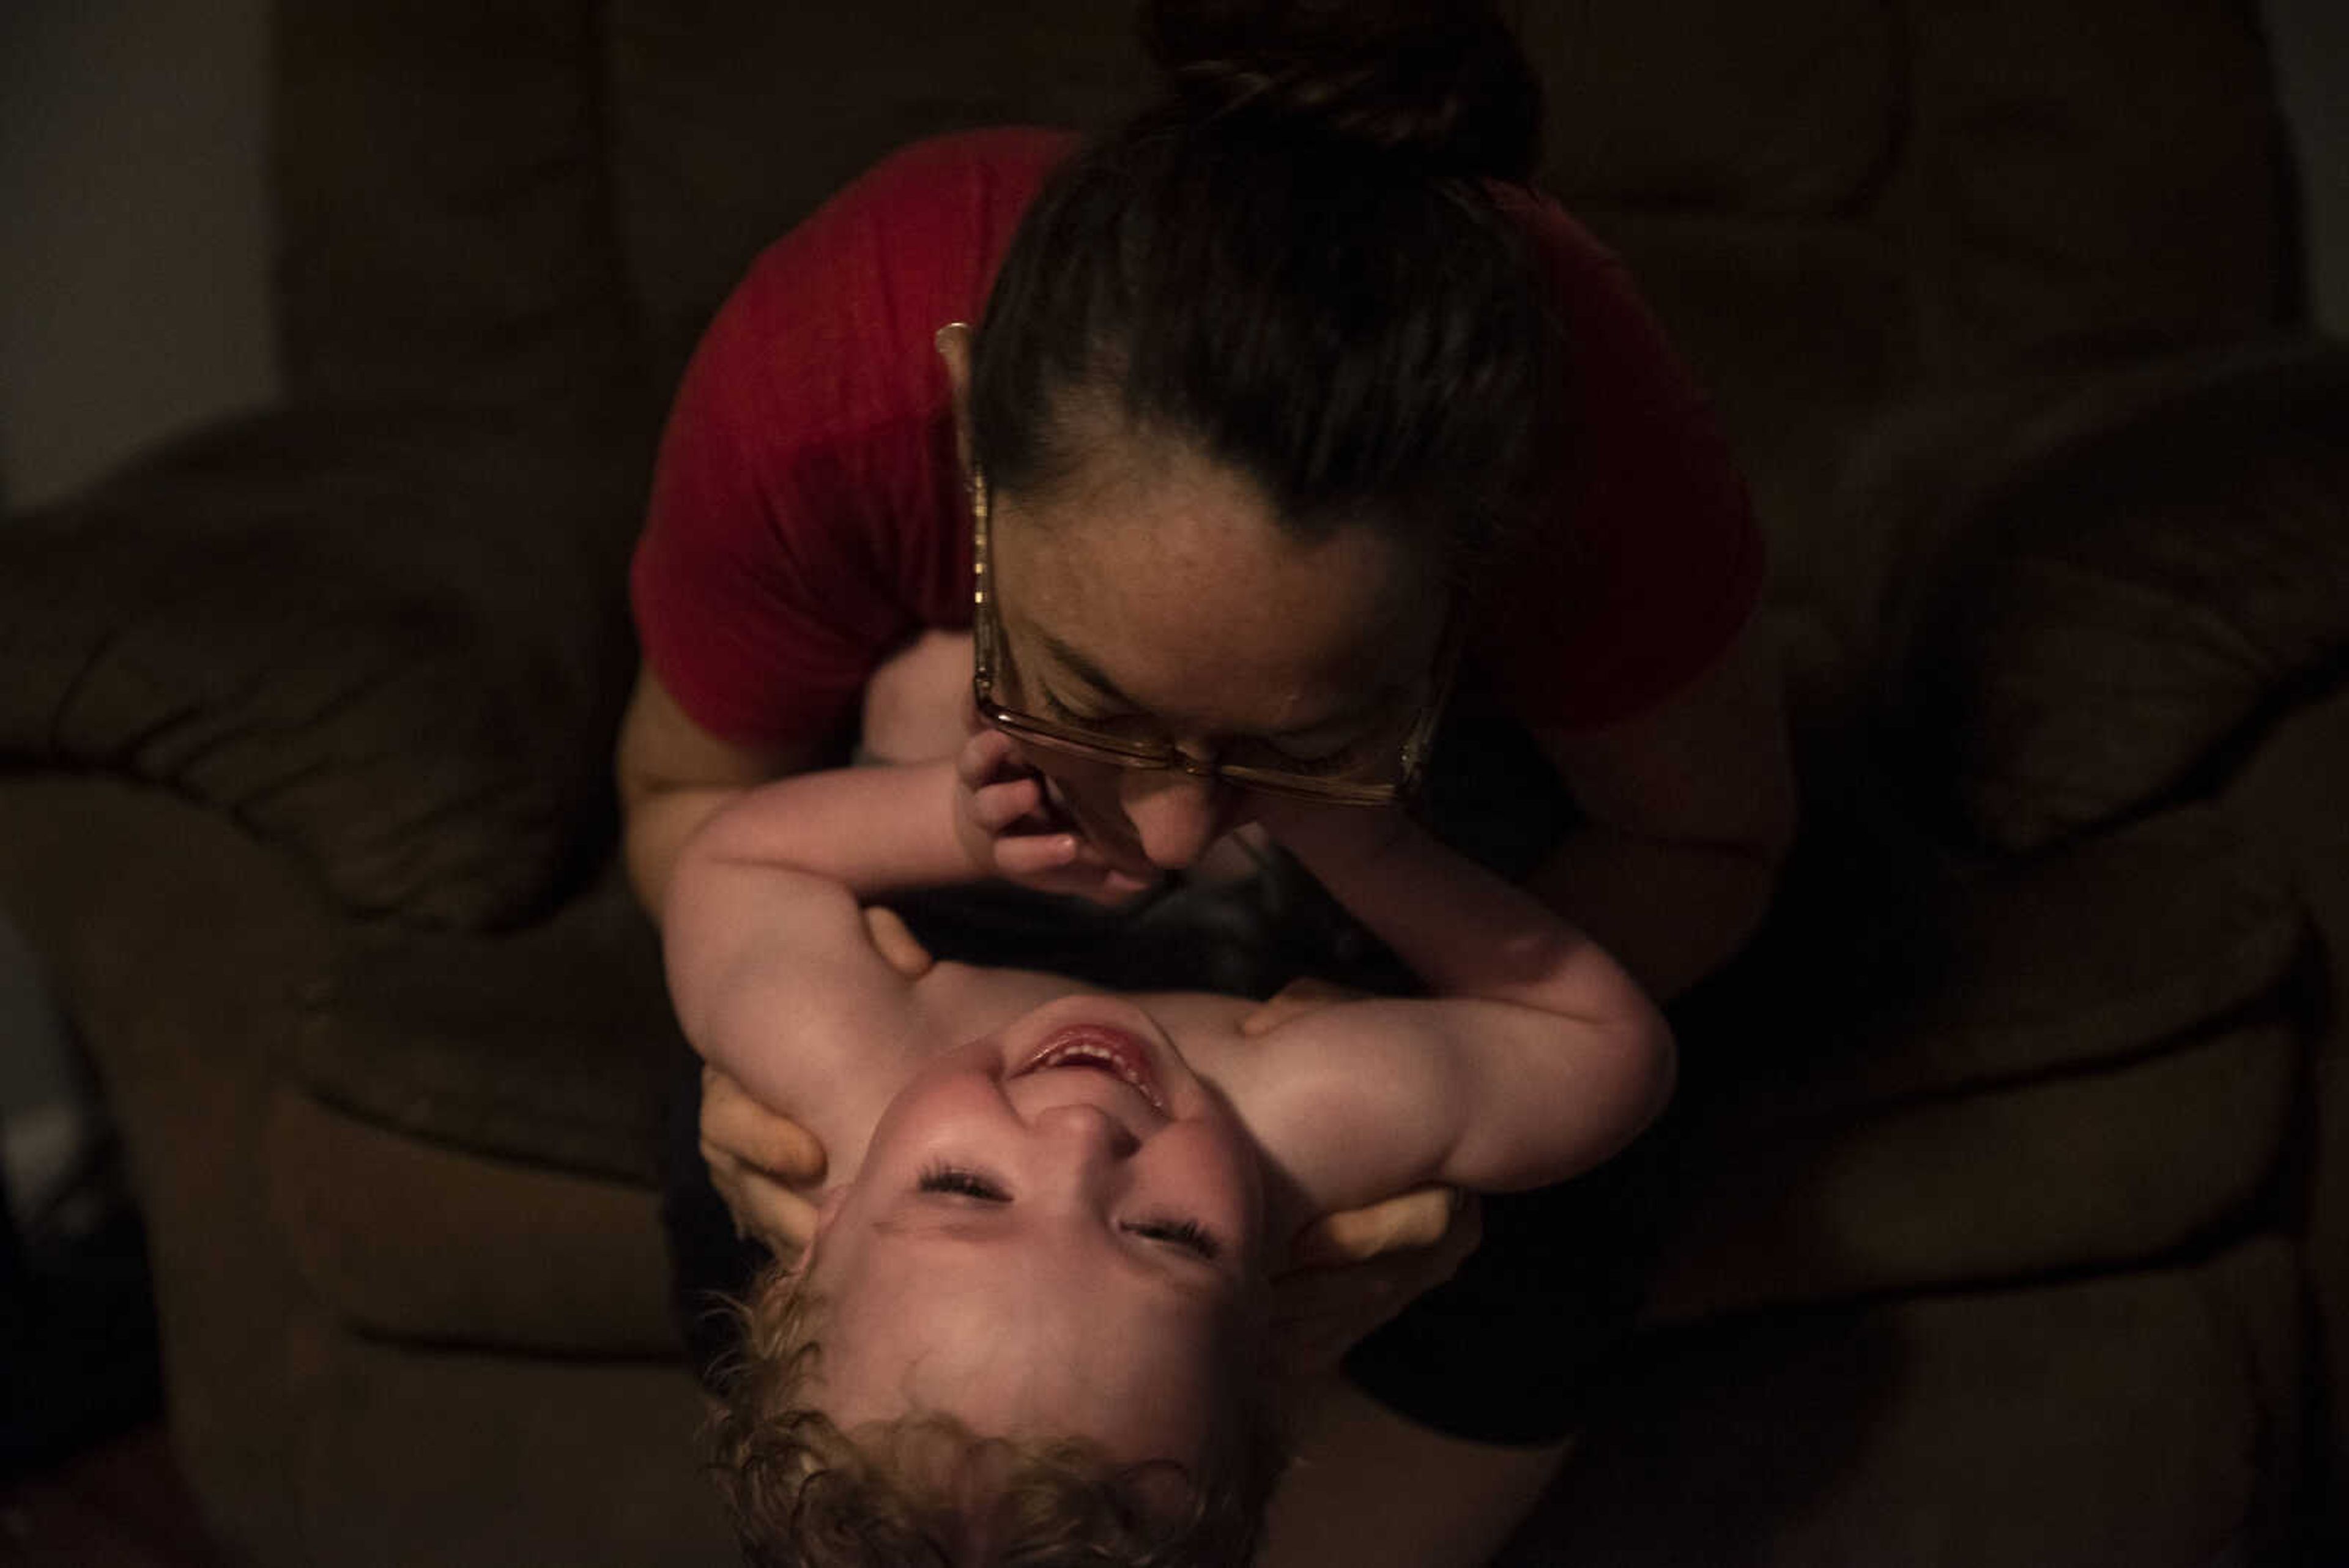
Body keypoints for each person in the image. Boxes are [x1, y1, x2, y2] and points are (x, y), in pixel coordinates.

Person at [620, 2, 1796, 1560]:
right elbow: (692, 815)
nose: (1080, 1142)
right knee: (724, 1177)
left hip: (1435, 854)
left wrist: (1352, 845)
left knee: (1565, 1234)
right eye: (1156, 1228)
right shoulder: (832, 379)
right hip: (1193, 932)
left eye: (1308, 727)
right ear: (969, 443)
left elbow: (1694, 866)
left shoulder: (1583, 436)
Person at [662, 726, 1672, 1565]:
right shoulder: (1305, 1112)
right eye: (1170, 1236)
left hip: (999, 869)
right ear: (1280, 1331)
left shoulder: (844, 1059)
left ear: (815, 1240)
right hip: (1299, 911)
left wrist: (957, 827)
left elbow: (727, 861)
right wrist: (1370, 851)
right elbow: (1609, 1052)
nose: (1082, 1135)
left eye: (966, 1189)